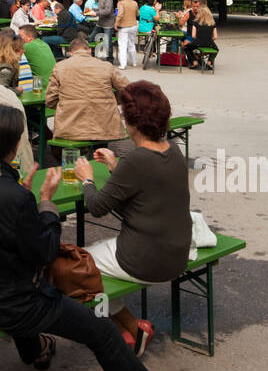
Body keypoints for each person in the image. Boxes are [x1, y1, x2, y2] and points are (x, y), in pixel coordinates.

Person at [0, 104, 217, 371]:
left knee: (13, 274)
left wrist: (22, 204)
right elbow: (44, 252)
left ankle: (36, 349)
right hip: (11, 304)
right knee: (100, 330)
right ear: (15, 145)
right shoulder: (13, 197)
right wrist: (44, 204)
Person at [77, 81, 192, 356]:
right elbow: (148, 187)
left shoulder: (137, 159)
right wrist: (116, 165)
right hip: (177, 253)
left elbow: (97, 207)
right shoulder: (173, 150)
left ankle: (123, 328)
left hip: (146, 259)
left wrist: (87, 179)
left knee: (73, 266)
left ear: (130, 122)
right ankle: (128, 327)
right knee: (94, 256)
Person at [44, 35, 130, 152]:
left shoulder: (60, 67)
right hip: (105, 127)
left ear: (70, 53)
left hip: (69, 127)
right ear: (89, 50)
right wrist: (114, 102)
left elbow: (50, 100)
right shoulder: (106, 66)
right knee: (100, 147)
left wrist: (67, 105)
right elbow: (129, 88)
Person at [185, 5, 219, 70]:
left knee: (186, 48)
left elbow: (193, 36)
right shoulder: (212, 23)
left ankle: (194, 62)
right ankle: (209, 62)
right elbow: (215, 37)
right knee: (216, 49)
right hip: (209, 43)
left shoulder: (195, 22)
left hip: (198, 43)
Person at [115, 0, 139, 70]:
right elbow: (137, 14)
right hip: (133, 25)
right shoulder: (135, 3)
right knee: (131, 44)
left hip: (124, 26)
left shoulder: (121, 3)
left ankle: (123, 64)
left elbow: (120, 14)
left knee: (122, 45)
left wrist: (116, 23)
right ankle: (134, 62)